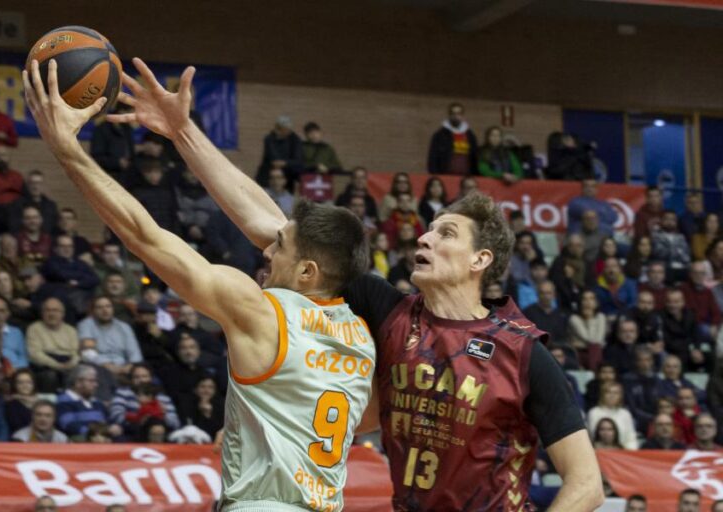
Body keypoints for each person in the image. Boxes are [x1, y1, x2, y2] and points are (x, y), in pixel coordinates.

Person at [108, 61, 599, 510]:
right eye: (428, 227)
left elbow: (586, 486)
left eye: (445, 233)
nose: (425, 236)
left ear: (480, 260)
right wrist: (182, 131)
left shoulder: (523, 352)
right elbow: (278, 230)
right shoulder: (389, 310)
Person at [28, 61, 383, 510]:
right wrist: (264, 422)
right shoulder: (362, 339)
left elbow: (145, 236)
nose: (267, 252)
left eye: (280, 247)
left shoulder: (262, 311)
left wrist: (67, 150)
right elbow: (364, 418)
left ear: (308, 272)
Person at [77, 296, 143, 379]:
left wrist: (128, 367)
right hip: (98, 367)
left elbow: (135, 353)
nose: (105, 310)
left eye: (108, 306)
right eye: (99, 307)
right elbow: (88, 353)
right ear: (93, 311)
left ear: (113, 309)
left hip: (124, 368)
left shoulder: (124, 327)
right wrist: (108, 366)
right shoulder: (86, 325)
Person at [26, 297, 79, 392]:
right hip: (45, 366)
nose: (51, 314)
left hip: (68, 363)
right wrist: (57, 366)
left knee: (84, 373)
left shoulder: (71, 331)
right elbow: (35, 354)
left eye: (55, 310)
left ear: (63, 314)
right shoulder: (34, 328)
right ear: (42, 313)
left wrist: (71, 364)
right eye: (47, 310)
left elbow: (76, 353)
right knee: (50, 376)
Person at [110, 363, 180, 435]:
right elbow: (116, 415)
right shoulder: (123, 393)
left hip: (159, 428)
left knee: (157, 429)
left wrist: (164, 415)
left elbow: (175, 423)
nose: (141, 380)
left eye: (144, 376)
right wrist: (138, 420)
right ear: (131, 379)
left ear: (151, 378)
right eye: (136, 377)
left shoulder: (163, 398)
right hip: (131, 429)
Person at [54, 364, 119, 439]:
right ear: (78, 382)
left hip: (102, 440)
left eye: (95, 381)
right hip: (79, 443)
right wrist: (94, 434)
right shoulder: (64, 401)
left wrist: (115, 427)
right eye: (91, 381)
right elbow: (68, 425)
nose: (96, 385)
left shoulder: (97, 403)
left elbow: (109, 420)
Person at [427, 102, 477, 175]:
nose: (456, 116)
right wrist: (435, 174)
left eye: (458, 113)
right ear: (449, 115)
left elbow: (475, 156)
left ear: (462, 115)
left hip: (466, 177)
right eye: (453, 113)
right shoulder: (440, 135)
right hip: (446, 175)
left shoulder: (470, 135)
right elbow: (433, 156)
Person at [586, 382, 638, 449]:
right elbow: (590, 437)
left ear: (620, 396)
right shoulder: (593, 412)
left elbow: (631, 438)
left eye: (616, 393)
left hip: (622, 453)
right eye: (608, 392)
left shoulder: (625, 414)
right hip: (598, 451)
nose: (612, 395)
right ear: (602, 395)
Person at [255, 115, 303, 186]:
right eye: (284, 128)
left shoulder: (295, 139)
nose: (287, 131)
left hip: (288, 174)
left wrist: (285, 163)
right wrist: (281, 163)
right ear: (278, 128)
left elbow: (298, 160)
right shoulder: (269, 139)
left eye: (288, 129)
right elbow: (273, 159)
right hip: (268, 174)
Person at [11, 170, 60, 234]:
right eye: (32, 183)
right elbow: (14, 227)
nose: (35, 187)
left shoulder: (51, 206)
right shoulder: (17, 205)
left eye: (39, 183)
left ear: (43, 185)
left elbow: (55, 229)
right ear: (28, 185)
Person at [569, 289, 608, 370]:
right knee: (594, 348)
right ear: (580, 302)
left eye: (591, 298)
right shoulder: (574, 318)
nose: (588, 302)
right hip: (579, 353)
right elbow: (589, 338)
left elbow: (598, 339)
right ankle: (595, 372)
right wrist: (589, 319)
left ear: (596, 302)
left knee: (595, 348)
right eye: (585, 299)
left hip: (596, 351)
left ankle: (594, 371)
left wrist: (590, 319)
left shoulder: (601, 317)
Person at [523, 281, 570, 346]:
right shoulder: (527, 313)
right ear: (537, 294)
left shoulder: (561, 315)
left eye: (549, 293)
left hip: (557, 351)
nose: (545, 296)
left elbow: (563, 339)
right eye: (542, 293)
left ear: (554, 295)